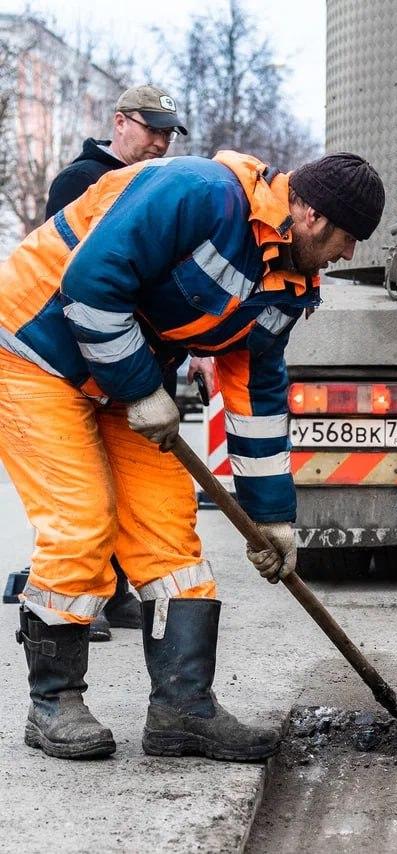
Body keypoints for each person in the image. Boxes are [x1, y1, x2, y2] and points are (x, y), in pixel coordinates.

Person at [0, 148, 384, 760]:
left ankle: (183, 710)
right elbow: (90, 285)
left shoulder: (287, 283)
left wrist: (272, 518)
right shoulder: (198, 191)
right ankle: (54, 704)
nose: (348, 256)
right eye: (346, 238)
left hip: (122, 376)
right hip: (33, 350)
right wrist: (141, 391)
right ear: (311, 215)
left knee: (170, 538)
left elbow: (256, 394)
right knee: (82, 521)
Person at [43, 83, 215, 643]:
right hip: (90, 363)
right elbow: (75, 278)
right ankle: (81, 602)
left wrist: (195, 350)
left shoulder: (161, 186)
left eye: (168, 132)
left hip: (146, 364)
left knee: (140, 488)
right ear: (120, 122)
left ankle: (117, 592)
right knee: (89, 490)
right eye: (152, 129)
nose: (161, 141)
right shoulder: (78, 181)